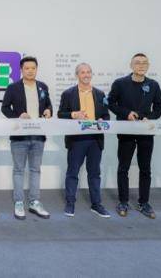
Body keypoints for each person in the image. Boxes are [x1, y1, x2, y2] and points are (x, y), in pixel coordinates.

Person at [108, 53, 161, 218]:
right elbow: (110, 103)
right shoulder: (120, 83)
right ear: (131, 65)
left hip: (145, 132)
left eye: (144, 63)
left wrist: (149, 117)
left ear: (148, 66)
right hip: (126, 131)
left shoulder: (153, 85)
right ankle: (123, 201)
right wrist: (126, 113)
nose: (141, 65)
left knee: (145, 169)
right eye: (138, 63)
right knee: (123, 168)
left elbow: (159, 108)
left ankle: (143, 202)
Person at [1, 56, 52, 220]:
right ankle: (18, 202)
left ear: (36, 69)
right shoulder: (13, 87)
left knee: (35, 170)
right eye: (27, 68)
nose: (30, 71)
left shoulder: (43, 86)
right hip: (19, 136)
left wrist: (48, 110)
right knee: (18, 170)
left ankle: (34, 202)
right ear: (21, 70)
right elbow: (4, 108)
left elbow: (48, 104)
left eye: (33, 68)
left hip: (38, 135)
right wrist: (18, 116)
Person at [58, 63, 111, 218]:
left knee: (94, 173)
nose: (86, 75)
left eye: (88, 72)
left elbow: (106, 115)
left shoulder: (100, 94)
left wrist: (102, 119)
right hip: (77, 139)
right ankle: (70, 203)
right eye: (83, 72)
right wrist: (73, 115)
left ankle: (96, 204)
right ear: (77, 75)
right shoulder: (68, 94)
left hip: (95, 139)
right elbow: (60, 114)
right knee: (73, 172)